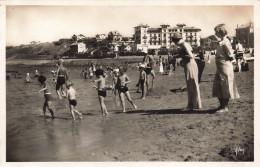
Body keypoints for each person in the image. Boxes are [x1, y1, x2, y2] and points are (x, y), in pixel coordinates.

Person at [213, 24, 240, 113]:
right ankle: (221, 106)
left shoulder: (225, 42)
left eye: (216, 32)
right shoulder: (221, 41)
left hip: (225, 66)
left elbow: (230, 55)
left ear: (221, 32)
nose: (215, 33)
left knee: (225, 85)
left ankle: (225, 107)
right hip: (220, 66)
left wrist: (234, 64)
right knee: (219, 85)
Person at [172, 33, 202, 111]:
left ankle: (192, 105)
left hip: (190, 64)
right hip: (189, 64)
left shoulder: (184, 45)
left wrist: (182, 57)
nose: (175, 44)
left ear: (177, 40)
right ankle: (195, 104)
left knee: (191, 84)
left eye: (175, 42)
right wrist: (177, 56)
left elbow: (191, 56)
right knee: (192, 84)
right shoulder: (184, 45)